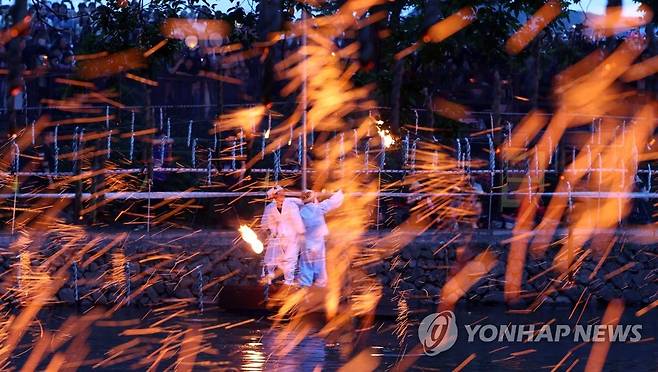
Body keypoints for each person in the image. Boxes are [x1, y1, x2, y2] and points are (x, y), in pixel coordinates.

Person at [298, 189, 344, 288]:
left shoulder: (300, 212)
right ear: (313, 199)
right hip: (318, 242)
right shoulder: (318, 208)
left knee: (306, 265)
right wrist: (339, 192)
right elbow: (332, 202)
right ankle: (321, 286)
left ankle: (304, 286)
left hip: (307, 243)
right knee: (320, 265)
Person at [261, 186, 305, 285]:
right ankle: (267, 277)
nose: (282, 195)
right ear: (274, 196)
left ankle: (288, 281)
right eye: (279, 193)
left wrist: (301, 232)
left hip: (293, 236)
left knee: (290, 258)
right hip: (279, 235)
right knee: (271, 257)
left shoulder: (291, 205)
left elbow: (297, 220)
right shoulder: (270, 208)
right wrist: (272, 232)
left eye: (282, 193)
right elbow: (265, 223)